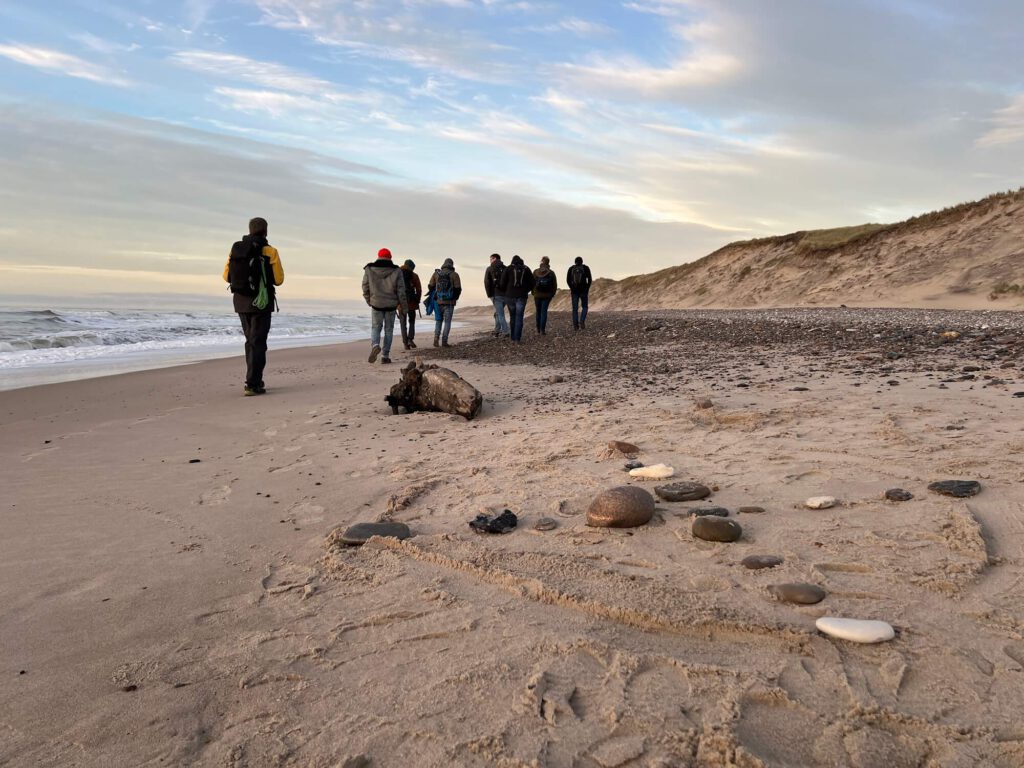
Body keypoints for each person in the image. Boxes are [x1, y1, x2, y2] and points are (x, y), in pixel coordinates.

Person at [223, 216, 284, 396]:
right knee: (259, 343)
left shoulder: (236, 249)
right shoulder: (270, 251)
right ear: (266, 231)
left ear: (249, 230)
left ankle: (253, 379)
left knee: (250, 341)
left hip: (241, 302)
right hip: (262, 303)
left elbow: (226, 276)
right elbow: (279, 280)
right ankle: (253, 383)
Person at [362, 247, 406, 364]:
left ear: (378, 256)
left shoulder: (369, 269)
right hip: (391, 305)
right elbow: (401, 291)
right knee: (388, 330)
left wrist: (369, 301)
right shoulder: (397, 271)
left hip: (376, 304)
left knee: (376, 327)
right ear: (390, 258)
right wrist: (404, 307)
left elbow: (365, 287)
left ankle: (375, 345)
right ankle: (385, 356)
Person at [499, 255, 534, 342]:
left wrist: (506, 291)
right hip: (522, 296)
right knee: (519, 317)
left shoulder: (508, 269)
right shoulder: (526, 269)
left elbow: (502, 283)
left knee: (512, 316)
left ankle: (513, 337)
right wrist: (526, 290)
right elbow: (533, 283)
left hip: (509, 296)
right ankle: (517, 338)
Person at [428, 257, 461, 346]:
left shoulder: (436, 273)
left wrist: (436, 293)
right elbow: (458, 289)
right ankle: (444, 341)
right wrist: (454, 298)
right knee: (447, 322)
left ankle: (436, 338)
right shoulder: (454, 274)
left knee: (438, 321)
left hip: (438, 302)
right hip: (449, 303)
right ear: (452, 265)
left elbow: (430, 286)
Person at [484, 253, 510, 337]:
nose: (490, 261)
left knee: (500, 314)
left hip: (496, 295)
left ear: (494, 258)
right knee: (497, 313)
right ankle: (497, 330)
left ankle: (506, 332)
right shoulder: (506, 268)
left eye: (491, 259)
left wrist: (489, 295)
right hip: (506, 295)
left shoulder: (490, 268)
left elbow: (487, 282)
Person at [398, 259, 421, 349]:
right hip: (411, 302)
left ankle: (405, 343)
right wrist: (417, 301)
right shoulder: (414, 276)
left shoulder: (397, 274)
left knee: (402, 323)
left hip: (400, 303)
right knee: (411, 321)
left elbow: (394, 289)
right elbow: (419, 290)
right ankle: (410, 339)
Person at [531, 256, 557, 335]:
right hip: (547, 296)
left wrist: (533, 292)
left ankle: (538, 329)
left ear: (541, 262)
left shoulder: (535, 272)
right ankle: (542, 330)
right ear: (548, 262)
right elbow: (554, 285)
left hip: (537, 295)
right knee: (544, 312)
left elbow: (531, 283)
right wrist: (552, 294)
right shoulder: (551, 273)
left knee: (538, 312)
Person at [566, 256, 593, 331]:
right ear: (582, 261)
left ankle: (575, 326)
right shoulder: (586, 268)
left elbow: (567, 280)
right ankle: (582, 321)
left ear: (575, 262)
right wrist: (587, 288)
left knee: (575, 309)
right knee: (585, 307)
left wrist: (571, 287)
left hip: (574, 291)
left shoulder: (571, 268)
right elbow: (590, 279)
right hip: (583, 291)